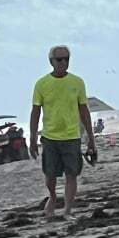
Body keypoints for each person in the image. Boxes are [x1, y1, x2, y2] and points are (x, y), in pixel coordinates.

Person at [30, 45, 95, 220]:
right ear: (51, 61)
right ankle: (52, 196)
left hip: (72, 136)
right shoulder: (42, 84)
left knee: (71, 174)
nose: (64, 62)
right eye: (59, 59)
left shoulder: (77, 82)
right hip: (50, 137)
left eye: (67, 58)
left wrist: (91, 139)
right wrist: (32, 138)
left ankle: (67, 210)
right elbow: (35, 112)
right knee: (50, 175)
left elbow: (84, 111)